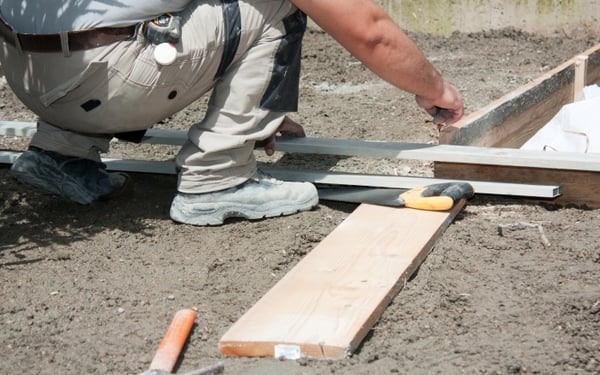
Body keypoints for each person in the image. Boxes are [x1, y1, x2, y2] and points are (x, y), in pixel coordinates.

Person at [0, 0, 463, 226]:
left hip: (29, 77)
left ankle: (60, 153)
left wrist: (266, 105)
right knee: (280, 5)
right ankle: (217, 178)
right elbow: (370, 32)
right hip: (109, 80)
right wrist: (434, 88)